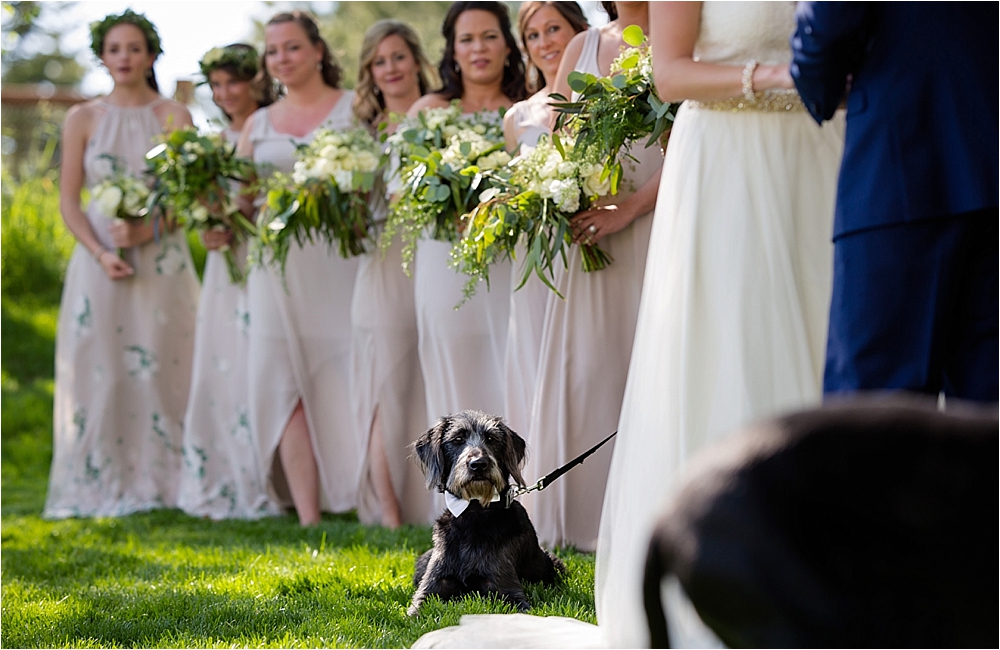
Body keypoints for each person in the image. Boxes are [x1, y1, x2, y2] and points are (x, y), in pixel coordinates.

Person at [596, 1, 846, 645]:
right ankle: (735, 576)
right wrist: (773, 77)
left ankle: (836, 568)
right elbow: (670, 74)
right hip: (731, 160)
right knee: (738, 336)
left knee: (829, 338)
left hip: (823, 151)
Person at [789, 3, 999, 404]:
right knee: (987, 417)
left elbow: (831, 19)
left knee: (872, 411)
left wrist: (817, 82)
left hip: (904, 158)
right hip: (987, 145)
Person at [44, 9, 200, 518]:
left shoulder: (174, 116)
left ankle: (169, 480)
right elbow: (70, 201)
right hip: (99, 266)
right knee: (102, 372)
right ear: (102, 56)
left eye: (134, 48)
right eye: (115, 49)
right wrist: (102, 251)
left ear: (151, 54)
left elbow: (187, 199)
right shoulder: (82, 118)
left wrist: (146, 230)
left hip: (163, 263)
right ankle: (99, 478)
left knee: (164, 369)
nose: (125, 57)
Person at [523, 0, 663, 552]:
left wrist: (630, 209)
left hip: (656, 219)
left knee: (650, 360)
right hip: (591, 229)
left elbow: (690, 144)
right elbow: (558, 140)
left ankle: (654, 508)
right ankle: (590, 515)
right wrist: (568, 192)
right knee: (592, 368)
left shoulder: (682, 29)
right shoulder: (583, 49)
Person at [237, 11, 362, 526]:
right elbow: (241, 201)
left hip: (341, 262)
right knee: (281, 378)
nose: (281, 58)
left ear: (317, 50)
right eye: (272, 51)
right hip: (276, 268)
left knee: (345, 375)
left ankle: (359, 495)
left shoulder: (357, 108)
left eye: (291, 47)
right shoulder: (257, 123)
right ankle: (308, 515)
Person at [407, 1, 526, 434]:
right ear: (452, 51)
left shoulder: (526, 108)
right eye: (467, 39)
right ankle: (457, 492)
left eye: (490, 36)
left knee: (513, 362)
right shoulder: (428, 111)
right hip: (445, 260)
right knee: (453, 362)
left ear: (508, 46)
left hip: (512, 259)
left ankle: (517, 486)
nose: (479, 48)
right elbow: (402, 188)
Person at [177, 43, 279, 520]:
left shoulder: (274, 131)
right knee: (224, 362)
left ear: (256, 80)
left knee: (264, 360)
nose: (225, 93)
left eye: (233, 82)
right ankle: (227, 471)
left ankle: (277, 473)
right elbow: (201, 210)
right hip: (226, 265)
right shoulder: (211, 145)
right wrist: (208, 224)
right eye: (216, 85)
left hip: (268, 255)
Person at [350, 20, 438, 528]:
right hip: (383, 261)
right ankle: (388, 512)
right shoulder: (362, 134)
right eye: (378, 62)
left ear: (416, 61)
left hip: (434, 252)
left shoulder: (439, 114)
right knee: (387, 381)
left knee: (432, 378)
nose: (389, 69)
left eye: (398, 57)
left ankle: (442, 500)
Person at [500, 1, 588, 444]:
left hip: (587, 238)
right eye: (533, 35)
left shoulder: (601, 93)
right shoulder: (517, 118)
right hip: (538, 255)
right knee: (537, 361)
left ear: (578, 28)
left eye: (553, 28)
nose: (544, 42)